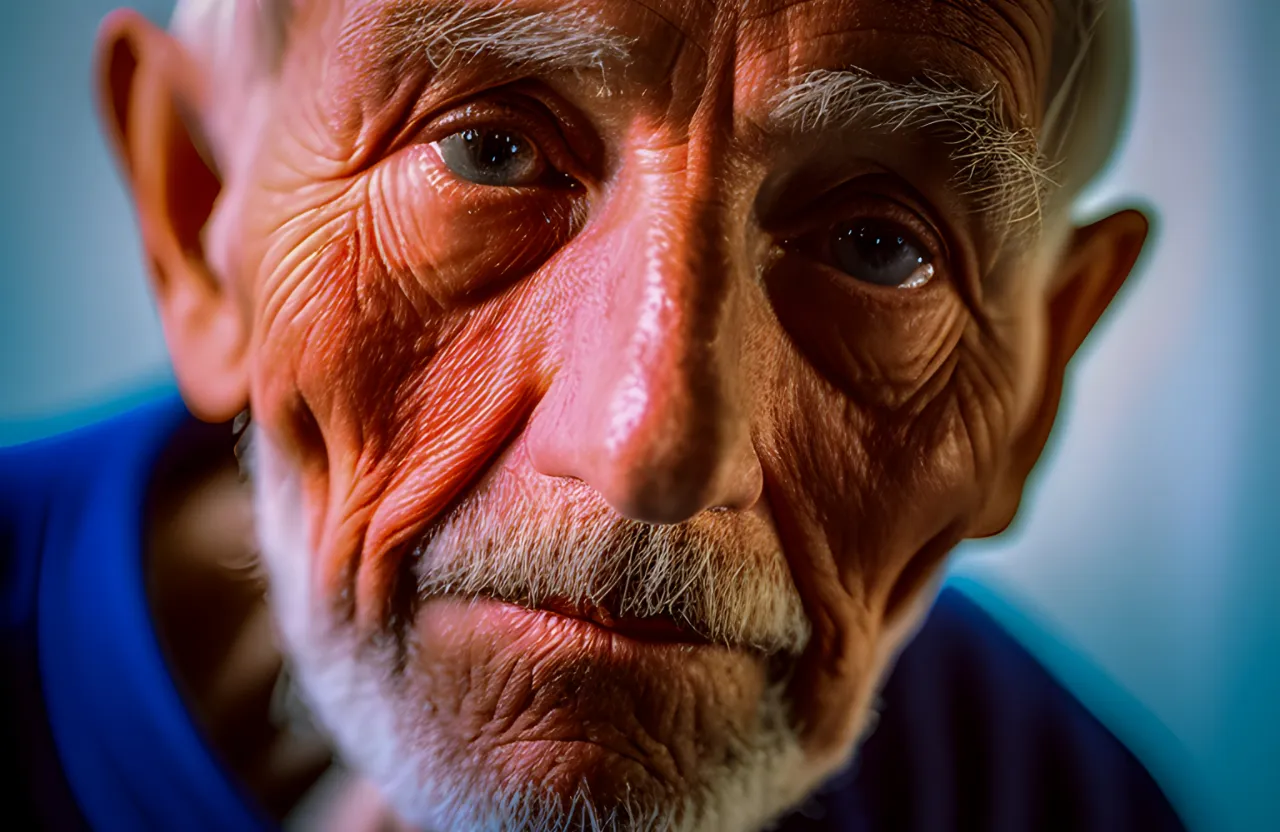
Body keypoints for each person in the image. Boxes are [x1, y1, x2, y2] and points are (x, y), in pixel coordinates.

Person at [0, 0, 1189, 829]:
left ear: (1038, 379)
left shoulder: (1030, 791)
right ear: (197, 211)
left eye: (876, 248)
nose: (652, 447)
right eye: (490, 151)